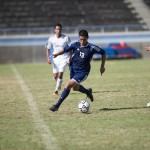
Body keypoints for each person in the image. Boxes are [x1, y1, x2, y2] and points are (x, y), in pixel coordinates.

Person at [49, 29, 106, 112]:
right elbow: (65, 49)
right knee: (75, 88)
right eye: (81, 39)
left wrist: (102, 66)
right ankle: (87, 92)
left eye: (84, 39)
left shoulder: (91, 48)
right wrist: (57, 54)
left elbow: (103, 53)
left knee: (68, 84)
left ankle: (56, 106)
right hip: (73, 69)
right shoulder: (75, 44)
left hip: (83, 72)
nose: (82, 41)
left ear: (87, 38)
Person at [46, 23, 71, 96]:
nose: (59, 30)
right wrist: (48, 58)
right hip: (56, 59)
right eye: (57, 29)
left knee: (60, 74)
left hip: (64, 58)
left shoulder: (66, 38)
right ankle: (59, 84)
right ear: (55, 30)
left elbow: (71, 48)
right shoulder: (51, 39)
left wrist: (69, 58)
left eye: (60, 29)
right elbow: (47, 48)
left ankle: (56, 90)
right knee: (55, 76)